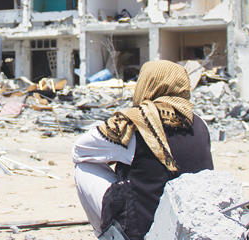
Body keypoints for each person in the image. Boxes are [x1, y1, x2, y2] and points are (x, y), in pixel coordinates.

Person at [72, 60, 213, 239]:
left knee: (84, 167)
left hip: (142, 230)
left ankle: (108, 235)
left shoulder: (134, 124)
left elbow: (79, 151)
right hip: (196, 227)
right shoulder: (199, 123)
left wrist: (117, 155)